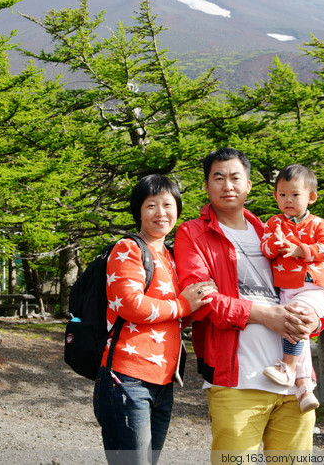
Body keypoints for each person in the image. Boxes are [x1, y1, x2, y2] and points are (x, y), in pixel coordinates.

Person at [174, 148, 323, 462]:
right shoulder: (193, 233)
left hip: (297, 384)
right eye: (218, 178)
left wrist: (312, 319)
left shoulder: (272, 229)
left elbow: (308, 284)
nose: (228, 185)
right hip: (236, 383)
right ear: (206, 186)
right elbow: (203, 302)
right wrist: (266, 315)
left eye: (235, 177)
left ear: (249, 185)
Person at [93, 174, 215, 465]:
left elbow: (172, 317)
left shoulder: (171, 256)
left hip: (162, 382)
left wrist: (193, 306)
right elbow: (131, 305)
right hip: (126, 380)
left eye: (167, 204)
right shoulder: (129, 249)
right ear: (138, 211)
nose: (161, 213)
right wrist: (184, 304)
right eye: (151, 205)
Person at [261, 164, 324, 412]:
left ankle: (288, 367)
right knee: (296, 328)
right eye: (282, 195)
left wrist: (299, 250)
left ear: (311, 197)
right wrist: (275, 242)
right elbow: (266, 250)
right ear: (276, 196)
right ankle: (304, 389)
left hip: (315, 286)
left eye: (295, 194)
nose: (288, 200)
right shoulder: (273, 223)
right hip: (287, 290)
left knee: (297, 316)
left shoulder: (318, 224)